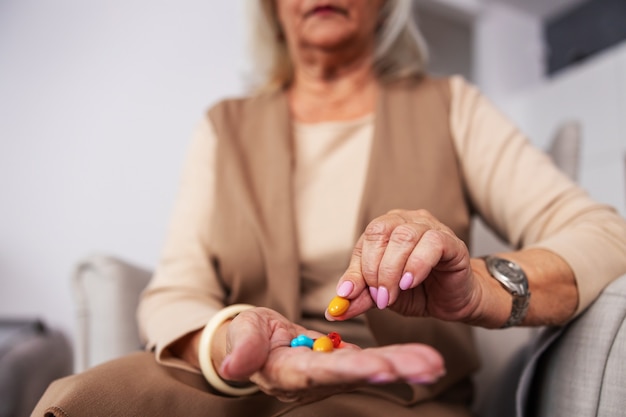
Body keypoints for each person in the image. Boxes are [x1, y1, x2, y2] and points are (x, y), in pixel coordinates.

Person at [34, 1, 626, 416]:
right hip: (234, 386)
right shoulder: (225, 127)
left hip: (402, 398)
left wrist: (483, 282)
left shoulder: (451, 107)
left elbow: (604, 232)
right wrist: (227, 343)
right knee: (84, 402)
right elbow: (175, 287)